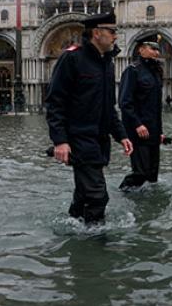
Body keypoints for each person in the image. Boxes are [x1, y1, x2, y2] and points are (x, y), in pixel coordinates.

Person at [45, 12, 133, 225]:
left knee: (84, 194)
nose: (115, 37)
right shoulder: (72, 58)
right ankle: (96, 246)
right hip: (79, 138)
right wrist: (60, 141)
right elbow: (55, 102)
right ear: (96, 33)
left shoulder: (107, 64)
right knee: (97, 196)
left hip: (99, 140)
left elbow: (108, 107)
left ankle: (73, 226)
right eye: (112, 32)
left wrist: (121, 135)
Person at [118, 39, 165, 191]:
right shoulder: (133, 70)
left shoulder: (156, 72)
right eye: (152, 49)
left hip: (153, 131)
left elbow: (156, 107)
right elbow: (125, 102)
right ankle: (123, 193)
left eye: (158, 50)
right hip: (138, 131)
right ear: (141, 49)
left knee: (152, 175)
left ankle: (149, 205)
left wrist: (160, 132)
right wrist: (137, 124)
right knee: (140, 173)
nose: (156, 52)